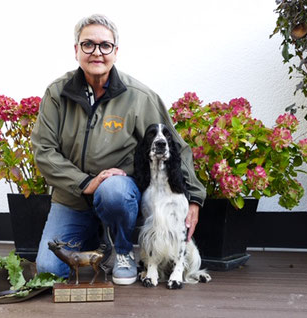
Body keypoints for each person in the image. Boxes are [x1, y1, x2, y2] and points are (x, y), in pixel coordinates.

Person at [31, 14, 206, 285]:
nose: (97, 52)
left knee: (113, 190)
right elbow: (44, 150)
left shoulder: (140, 96)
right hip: (72, 198)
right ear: (76, 50)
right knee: (50, 268)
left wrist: (194, 198)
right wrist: (85, 183)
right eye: (88, 44)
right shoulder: (57, 93)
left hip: (120, 196)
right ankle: (97, 240)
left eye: (105, 45)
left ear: (116, 51)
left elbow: (175, 146)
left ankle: (123, 250)